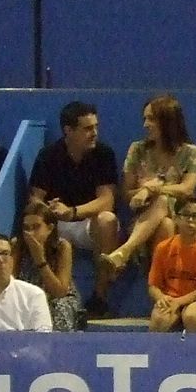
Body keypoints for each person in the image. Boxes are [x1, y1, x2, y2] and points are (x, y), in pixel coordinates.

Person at [28, 101, 121, 316]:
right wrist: (49, 209)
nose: (94, 133)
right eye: (87, 128)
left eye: (96, 127)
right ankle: (42, 298)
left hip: (86, 223)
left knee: (107, 220)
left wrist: (73, 212)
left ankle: (99, 298)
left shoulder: (104, 154)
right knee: (34, 224)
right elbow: (35, 199)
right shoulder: (48, 155)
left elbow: (107, 200)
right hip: (56, 223)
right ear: (68, 130)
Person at [104, 94, 196, 272]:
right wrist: (145, 193)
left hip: (180, 219)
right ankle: (161, 290)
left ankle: (125, 250)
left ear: (168, 122)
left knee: (165, 210)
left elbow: (187, 189)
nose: (145, 124)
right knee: (165, 223)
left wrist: (149, 189)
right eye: (145, 118)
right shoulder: (137, 149)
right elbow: (126, 193)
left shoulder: (190, 152)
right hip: (141, 219)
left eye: (151, 119)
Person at [147, 196, 196, 333]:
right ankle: (157, 354)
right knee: (159, 318)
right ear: (176, 218)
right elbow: (153, 285)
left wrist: (178, 302)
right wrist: (161, 298)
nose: (190, 220)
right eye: (185, 215)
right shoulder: (163, 247)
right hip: (169, 299)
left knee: (192, 316)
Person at [14, 200, 83, 331]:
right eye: (26, 228)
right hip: (27, 299)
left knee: (60, 307)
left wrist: (40, 259)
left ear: (50, 228)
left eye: (36, 227)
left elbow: (60, 291)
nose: (30, 233)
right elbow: (10, 283)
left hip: (57, 298)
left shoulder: (62, 246)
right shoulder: (17, 245)